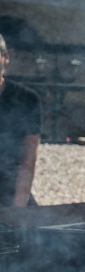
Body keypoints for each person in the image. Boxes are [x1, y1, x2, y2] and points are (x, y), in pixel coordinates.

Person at [0, 33, 41, 207]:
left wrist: (18, 209)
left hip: (10, 192)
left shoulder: (26, 99)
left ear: (5, 57)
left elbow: (28, 159)